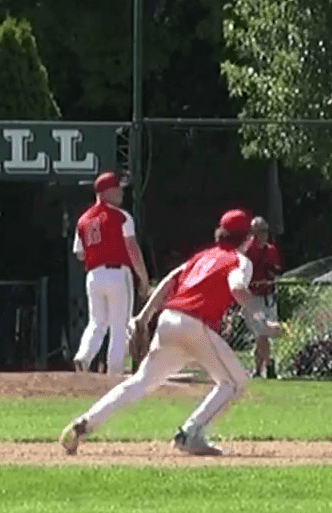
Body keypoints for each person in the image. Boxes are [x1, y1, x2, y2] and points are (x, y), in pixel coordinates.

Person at [60, 209, 284, 458]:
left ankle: (84, 423)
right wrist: (263, 319)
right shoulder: (240, 261)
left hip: (168, 321)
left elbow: (169, 281)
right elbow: (238, 289)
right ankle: (190, 433)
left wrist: (144, 316)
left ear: (219, 233)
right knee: (234, 382)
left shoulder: (201, 257)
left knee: (140, 382)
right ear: (248, 238)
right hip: (194, 325)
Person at [71, 171, 151, 375]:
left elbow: (79, 253)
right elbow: (132, 249)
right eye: (118, 190)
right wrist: (143, 279)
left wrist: (98, 250)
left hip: (94, 276)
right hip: (117, 273)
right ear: (108, 191)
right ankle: (114, 372)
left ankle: (83, 357)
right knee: (119, 325)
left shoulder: (83, 220)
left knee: (97, 322)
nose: (121, 194)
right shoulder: (121, 216)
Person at [245, 217, 286, 379]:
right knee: (261, 331)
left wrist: (272, 272)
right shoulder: (248, 250)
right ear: (253, 232)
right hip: (253, 298)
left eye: (266, 231)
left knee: (263, 333)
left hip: (268, 296)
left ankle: (258, 369)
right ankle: (268, 365)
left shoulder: (271, 250)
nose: (264, 234)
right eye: (261, 231)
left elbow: (277, 269)